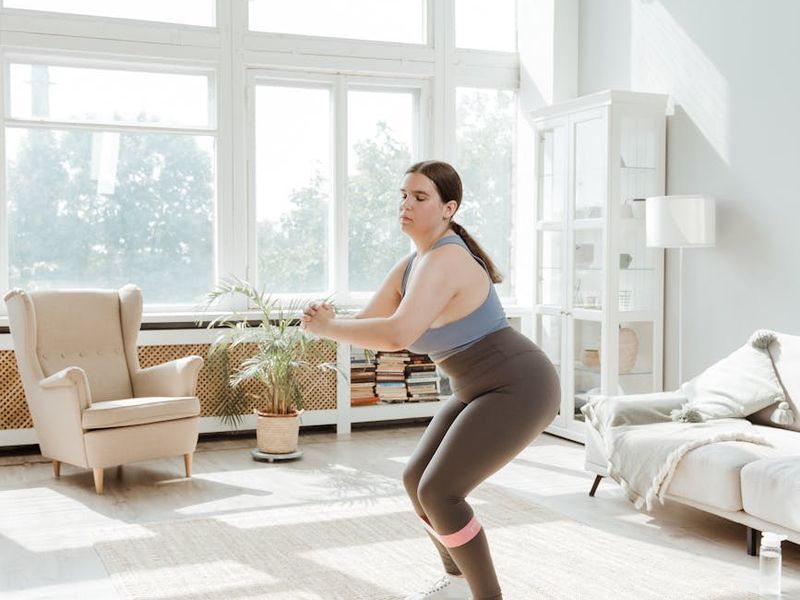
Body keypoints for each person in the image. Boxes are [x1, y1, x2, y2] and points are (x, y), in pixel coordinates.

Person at [300, 160, 560, 600]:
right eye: (403, 195)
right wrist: (328, 320)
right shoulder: (411, 266)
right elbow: (368, 324)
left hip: (519, 384)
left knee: (441, 492)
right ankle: (456, 585)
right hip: (475, 388)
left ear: (448, 208)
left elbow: (397, 333)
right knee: (416, 480)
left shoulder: (448, 259)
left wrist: (328, 328)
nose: (406, 204)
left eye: (420, 197)